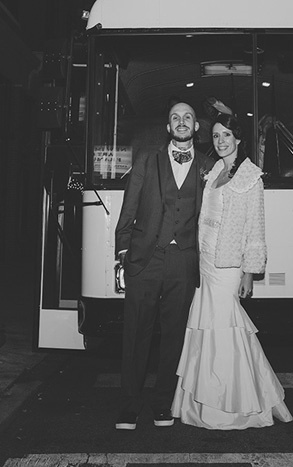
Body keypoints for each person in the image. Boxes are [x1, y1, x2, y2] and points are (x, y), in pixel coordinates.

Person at [171, 113, 293, 429]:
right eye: (215, 136)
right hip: (204, 260)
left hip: (228, 265)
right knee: (203, 327)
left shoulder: (251, 177)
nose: (221, 141)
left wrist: (250, 272)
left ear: (238, 139)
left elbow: (255, 228)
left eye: (226, 135)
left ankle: (236, 405)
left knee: (225, 326)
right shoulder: (212, 173)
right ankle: (198, 402)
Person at [114, 101, 215, 430]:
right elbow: (129, 206)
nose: (182, 122)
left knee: (174, 336)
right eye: (175, 117)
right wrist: (122, 254)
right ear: (168, 128)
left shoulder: (207, 166)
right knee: (136, 334)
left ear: (196, 127)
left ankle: (162, 403)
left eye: (188, 116)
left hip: (183, 260)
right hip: (145, 259)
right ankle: (129, 405)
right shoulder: (147, 158)